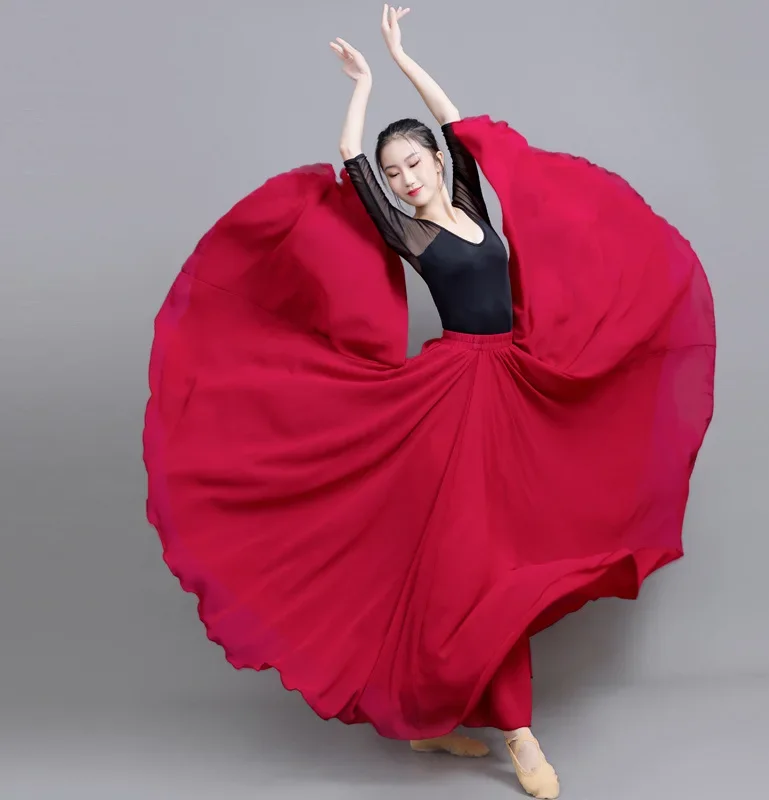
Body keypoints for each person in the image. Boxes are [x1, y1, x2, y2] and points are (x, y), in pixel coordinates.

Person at [142, 6, 715, 798]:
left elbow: (460, 124)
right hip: (456, 399)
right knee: (480, 564)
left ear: (438, 165)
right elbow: (351, 163)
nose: (409, 179)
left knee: (493, 559)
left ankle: (431, 718)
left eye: (416, 164)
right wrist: (364, 87)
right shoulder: (412, 233)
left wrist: (403, 55)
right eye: (398, 173)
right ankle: (517, 733)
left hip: (516, 384)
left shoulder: (474, 211)